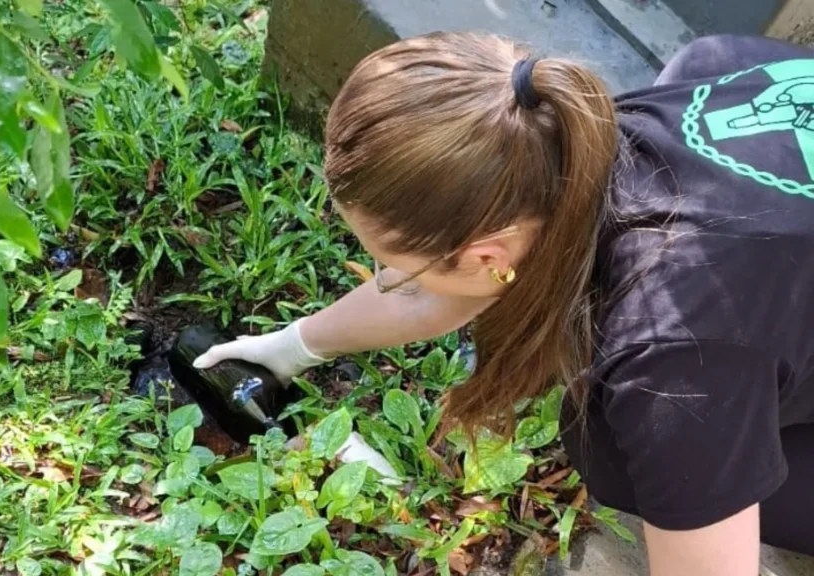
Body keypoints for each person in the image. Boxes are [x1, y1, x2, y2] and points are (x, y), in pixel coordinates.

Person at [193, 32, 814, 572]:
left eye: (397, 265)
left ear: (490, 257)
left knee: (617, 451)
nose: (389, 275)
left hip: (728, 319)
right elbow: (437, 294)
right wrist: (292, 347)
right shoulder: (689, 80)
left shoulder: (672, 357)